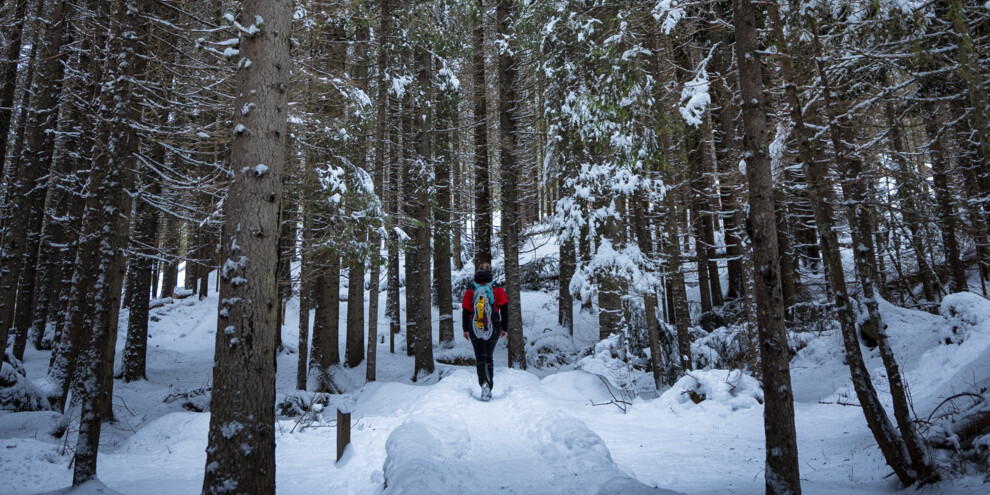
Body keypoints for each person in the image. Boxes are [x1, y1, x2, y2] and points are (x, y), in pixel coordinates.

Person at [462, 263, 508, 401]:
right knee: (489, 357)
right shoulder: (497, 288)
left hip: (474, 324)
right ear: (491, 273)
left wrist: (465, 329)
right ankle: (489, 385)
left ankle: (484, 383)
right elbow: (504, 308)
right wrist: (504, 327)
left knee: (480, 357)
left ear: (477, 273)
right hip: (493, 324)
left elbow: (465, 310)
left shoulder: (471, 288)